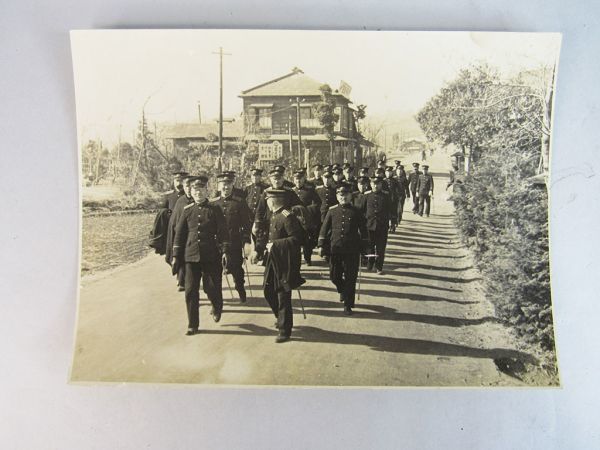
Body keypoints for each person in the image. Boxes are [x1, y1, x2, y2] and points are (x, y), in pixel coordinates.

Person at [172, 176, 229, 336]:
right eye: (195, 190)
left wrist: (225, 250)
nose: (198, 192)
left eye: (201, 189)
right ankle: (193, 324)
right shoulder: (187, 210)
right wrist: (176, 255)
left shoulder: (215, 209)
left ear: (206, 191)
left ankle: (217, 306)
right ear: (191, 191)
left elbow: (223, 232)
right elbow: (179, 234)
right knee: (190, 290)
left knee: (211, 288)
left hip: (211, 255)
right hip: (190, 256)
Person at [253, 189, 305, 343]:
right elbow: (265, 236)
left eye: (268, 200)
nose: (267, 203)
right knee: (268, 291)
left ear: (273, 201)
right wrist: (258, 250)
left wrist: (275, 245)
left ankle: (284, 330)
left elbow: (298, 238)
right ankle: (280, 317)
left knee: (283, 296)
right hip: (272, 259)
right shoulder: (273, 216)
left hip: (285, 261)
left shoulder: (288, 217)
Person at [319, 184, 369, 315]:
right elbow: (324, 229)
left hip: (352, 249)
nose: (343, 198)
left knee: (350, 277)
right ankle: (342, 290)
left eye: (346, 195)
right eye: (341, 195)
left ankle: (348, 304)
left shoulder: (357, 211)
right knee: (334, 276)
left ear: (350, 196)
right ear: (337, 196)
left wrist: (365, 249)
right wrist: (321, 245)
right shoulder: (332, 211)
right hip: (335, 248)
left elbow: (364, 231)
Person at [212, 172, 253, 303]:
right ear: (218, 186)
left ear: (232, 185)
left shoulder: (239, 203)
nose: (226, 187)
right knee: (215, 273)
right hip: (216, 244)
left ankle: (240, 288)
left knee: (237, 270)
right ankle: (216, 302)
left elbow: (247, 224)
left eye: (228, 184)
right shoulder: (213, 204)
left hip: (234, 242)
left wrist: (246, 242)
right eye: (223, 185)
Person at [166, 174, 196, 291]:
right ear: (184, 187)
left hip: (193, 236)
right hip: (181, 235)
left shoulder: (197, 200)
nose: (188, 189)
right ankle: (181, 280)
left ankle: (188, 281)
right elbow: (174, 222)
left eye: (190, 186)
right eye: (186, 186)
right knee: (180, 258)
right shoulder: (180, 201)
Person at [362, 175, 391, 275]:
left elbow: (390, 210)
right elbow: (362, 210)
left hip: (382, 226)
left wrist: (392, 222)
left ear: (381, 184)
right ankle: (370, 262)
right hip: (369, 226)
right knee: (370, 246)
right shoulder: (366, 195)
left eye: (378, 184)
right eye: (374, 184)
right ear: (370, 184)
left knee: (381, 248)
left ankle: (379, 267)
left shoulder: (386, 196)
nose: (376, 186)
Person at [292, 169, 322, 265]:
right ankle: (296, 259)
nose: (298, 181)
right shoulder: (291, 191)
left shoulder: (310, 190)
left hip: (307, 219)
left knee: (307, 240)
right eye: (296, 180)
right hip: (294, 220)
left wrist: (305, 211)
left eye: (300, 179)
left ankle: (307, 257)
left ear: (303, 179)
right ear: (294, 180)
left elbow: (317, 203)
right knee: (295, 239)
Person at [244, 168, 269, 245]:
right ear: (251, 177)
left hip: (261, 217)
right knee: (248, 237)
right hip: (249, 217)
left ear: (260, 177)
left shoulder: (265, 188)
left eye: (257, 176)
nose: (255, 178)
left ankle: (260, 254)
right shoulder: (247, 188)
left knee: (260, 237)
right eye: (253, 176)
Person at [384, 166, 400, 232]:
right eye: (387, 172)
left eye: (390, 172)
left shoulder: (395, 181)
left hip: (393, 200)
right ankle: (387, 226)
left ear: (392, 173)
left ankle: (393, 226)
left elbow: (399, 190)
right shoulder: (383, 181)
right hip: (385, 200)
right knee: (386, 213)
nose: (388, 173)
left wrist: (397, 196)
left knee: (393, 213)